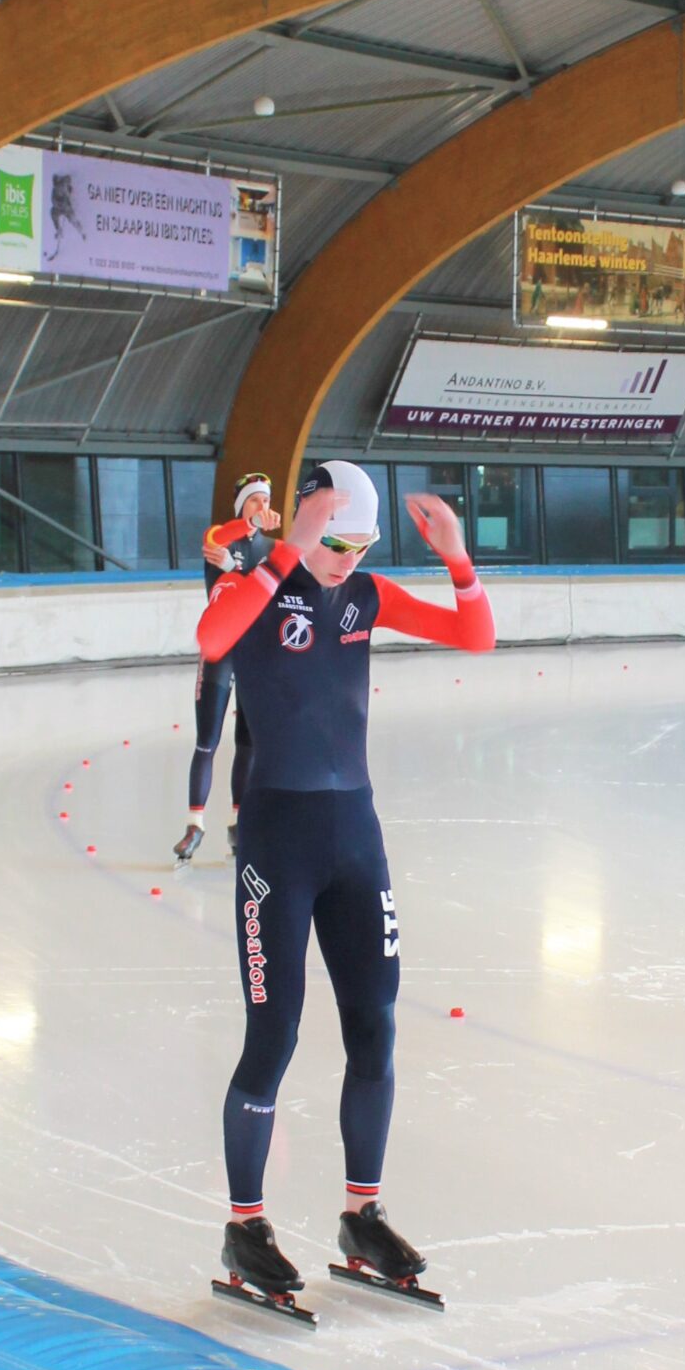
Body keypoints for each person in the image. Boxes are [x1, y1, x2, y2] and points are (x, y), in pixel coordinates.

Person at [193, 460, 496, 1316]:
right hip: (278, 839)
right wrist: (287, 552)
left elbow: (474, 638)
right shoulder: (259, 579)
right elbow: (213, 642)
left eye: (361, 545)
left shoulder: (365, 593)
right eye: (336, 543)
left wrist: (457, 559)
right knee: (274, 1033)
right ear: (306, 526)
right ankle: (245, 1226)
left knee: (375, 1024)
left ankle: (363, 1216)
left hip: (355, 836)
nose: (347, 560)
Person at [174, 473, 282, 864]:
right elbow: (217, 538)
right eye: (254, 500)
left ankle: (240, 823)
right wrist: (238, 544)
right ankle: (195, 825)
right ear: (241, 507)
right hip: (221, 650)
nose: (262, 506)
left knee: (248, 744)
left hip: (256, 654)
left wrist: (236, 570)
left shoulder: (274, 549)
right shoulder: (220, 537)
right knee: (207, 741)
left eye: (266, 500)